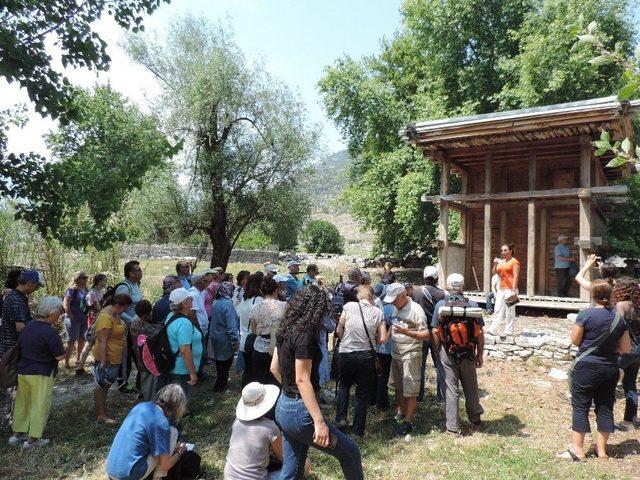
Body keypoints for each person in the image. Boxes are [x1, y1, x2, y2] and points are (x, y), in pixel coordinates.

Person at [270, 285, 363, 479]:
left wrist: (289, 391)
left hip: (283, 406)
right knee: (350, 453)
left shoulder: (286, 328)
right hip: (299, 412)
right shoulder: (306, 335)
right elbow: (302, 379)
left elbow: (274, 368)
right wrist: (319, 422)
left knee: (293, 469)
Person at [558, 280, 631, 461]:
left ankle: (577, 450)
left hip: (587, 366)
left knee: (581, 406)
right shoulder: (618, 319)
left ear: (593, 295)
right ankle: (602, 451)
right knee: (605, 407)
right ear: (611, 295)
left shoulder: (585, 314)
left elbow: (575, 340)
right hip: (610, 368)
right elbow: (625, 349)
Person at [431, 274, 485, 435]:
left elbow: (435, 331)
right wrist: (480, 354)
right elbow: (480, 333)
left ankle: (453, 427)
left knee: (450, 388)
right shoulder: (473, 304)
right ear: (462, 287)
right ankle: (475, 420)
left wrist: (436, 351)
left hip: (447, 352)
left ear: (447, 287)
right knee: (471, 387)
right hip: (468, 352)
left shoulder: (441, 305)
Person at [9, 296, 65, 449]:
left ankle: (17, 436)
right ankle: (32, 440)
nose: (60, 314)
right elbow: (59, 356)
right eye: (59, 311)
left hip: (23, 371)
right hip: (41, 373)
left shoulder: (29, 326)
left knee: (23, 404)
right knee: (39, 405)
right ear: (52, 313)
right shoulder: (50, 332)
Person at [224, 382, 311, 480]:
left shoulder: (237, 422)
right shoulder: (270, 428)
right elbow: (284, 458)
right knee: (305, 464)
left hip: (229, 477)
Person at [335, 285, 387, 437]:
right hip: (367, 356)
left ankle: (341, 419)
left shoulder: (349, 306)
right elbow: (383, 339)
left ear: (359, 296)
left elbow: (339, 330)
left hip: (347, 353)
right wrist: (373, 337)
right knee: (362, 393)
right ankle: (358, 430)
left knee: (344, 386)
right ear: (372, 297)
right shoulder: (379, 312)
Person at [106, 384, 188, 480]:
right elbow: (166, 465)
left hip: (110, 469)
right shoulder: (161, 423)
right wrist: (179, 452)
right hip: (129, 475)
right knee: (173, 432)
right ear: (176, 407)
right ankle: (158, 478)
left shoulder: (140, 406)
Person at [383, 282, 430, 436]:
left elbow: (425, 334)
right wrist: (387, 335)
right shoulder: (396, 307)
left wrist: (407, 332)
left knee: (410, 389)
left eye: (394, 299)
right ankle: (400, 412)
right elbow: (394, 324)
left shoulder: (416, 310)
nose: (392, 303)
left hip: (410, 354)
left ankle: (408, 421)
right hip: (396, 353)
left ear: (403, 295)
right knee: (398, 386)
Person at [0, 270, 41, 428]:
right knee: (12, 385)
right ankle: (10, 421)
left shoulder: (17, 297)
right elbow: (20, 327)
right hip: (12, 349)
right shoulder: (16, 300)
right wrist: (38, 326)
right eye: (36, 286)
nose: (35, 289)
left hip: (12, 347)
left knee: (13, 385)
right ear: (29, 283)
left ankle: (11, 420)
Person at [93, 293, 132, 424]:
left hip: (115, 356)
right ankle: (101, 415)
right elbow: (102, 341)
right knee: (101, 386)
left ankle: (102, 411)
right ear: (117, 305)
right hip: (107, 358)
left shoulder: (116, 313)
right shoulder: (105, 318)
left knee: (107, 385)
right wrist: (103, 360)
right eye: (125, 307)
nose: (126, 310)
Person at [412, 266, 446, 403]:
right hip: (437, 333)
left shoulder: (416, 292)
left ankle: (419, 395)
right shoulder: (443, 294)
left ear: (424, 277)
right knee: (439, 365)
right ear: (437, 278)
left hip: (421, 332)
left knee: (420, 365)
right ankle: (441, 396)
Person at [611, 277, 640, 431]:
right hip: (637, 352)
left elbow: (618, 328)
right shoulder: (638, 306)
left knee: (609, 383)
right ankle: (629, 422)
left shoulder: (621, 305)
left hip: (624, 350)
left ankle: (605, 419)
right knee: (630, 385)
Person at [165, 288, 201, 403]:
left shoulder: (170, 315)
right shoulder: (184, 323)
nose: (192, 301)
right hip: (182, 369)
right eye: (190, 299)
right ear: (185, 303)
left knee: (174, 401)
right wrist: (192, 373)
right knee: (178, 404)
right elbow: (185, 350)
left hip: (174, 366)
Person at [250, 277, 286, 386]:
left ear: (261, 292)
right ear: (276, 290)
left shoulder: (255, 307)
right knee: (276, 382)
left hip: (259, 348)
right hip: (278, 347)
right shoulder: (284, 305)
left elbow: (254, 330)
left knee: (260, 381)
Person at [116, 260, 144, 393]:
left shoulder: (135, 285)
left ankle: (138, 379)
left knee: (136, 351)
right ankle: (122, 383)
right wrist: (132, 321)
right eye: (138, 270)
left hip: (136, 327)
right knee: (126, 354)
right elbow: (119, 310)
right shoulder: (124, 287)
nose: (141, 272)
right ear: (131, 273)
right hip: (126, 327)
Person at [130, 300, 163, 402]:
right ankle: (142, 392)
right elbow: (135, 344)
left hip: (149, 350)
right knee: (143, 370)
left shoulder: (151, 316)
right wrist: (139, 361)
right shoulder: (136, 322)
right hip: (141, 351)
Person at [210, 281, 240, 392]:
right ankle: (221, 384)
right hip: (224, 337)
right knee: (226, 361)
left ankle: (220, 383)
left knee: (219, 360)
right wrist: (235, 340)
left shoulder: (215, 302)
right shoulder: (228, 304)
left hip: (215, 335)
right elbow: (231, 324)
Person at [76, 273, 108, 374]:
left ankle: (98, 364)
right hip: (94, 321)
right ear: (99, 281)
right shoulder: (92, 293)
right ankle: (80, 367)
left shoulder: (100, 292)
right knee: (89, 344)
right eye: (104, 280)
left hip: (100, 320)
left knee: (97, 343)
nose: (105, 282)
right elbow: (97, 308)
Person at [237, 274, 264, 387]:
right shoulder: (258, 300)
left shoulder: (244, 298)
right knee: (254, 371)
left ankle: (245, 389)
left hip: (243, 338)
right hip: (253, 339)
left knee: (248, 369)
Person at [488, 243, 520, 337]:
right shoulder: (501, 261)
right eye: (502, 250)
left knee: (510, 309)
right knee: (497, 309)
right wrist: (495, 264)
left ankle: (509, 330)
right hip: (501, 289)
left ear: (510, 251)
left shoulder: (515, 262)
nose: (503, 252)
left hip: (511, 289)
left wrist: (514, 290)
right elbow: (494, 273)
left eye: (505, 250)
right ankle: (493, 329)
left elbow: (516, 276)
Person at [63, 270, 89, 371]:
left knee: (82, 340)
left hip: (84, 318)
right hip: (73, 319)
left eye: (86, 277)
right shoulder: (72, 290)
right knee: (71, 341)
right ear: (78, 279)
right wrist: (70, 315)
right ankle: (66, 362)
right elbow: (66, 304)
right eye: (84, 277)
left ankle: (79, 360)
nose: (86, 279)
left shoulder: (86, 289)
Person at [373, 283, 393, 410]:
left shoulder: (374, 304)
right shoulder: (391, 308)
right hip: (387, 346)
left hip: (376, 345)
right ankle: (382, 403)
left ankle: (374, 399)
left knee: (377, 374)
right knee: (384, 375)